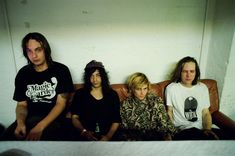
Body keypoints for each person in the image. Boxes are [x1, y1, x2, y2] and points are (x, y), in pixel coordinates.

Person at [1, 32, 74, 141]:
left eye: (38, 50)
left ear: (46, 49)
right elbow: (21, 104)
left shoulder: (61, 70)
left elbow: (60, 104)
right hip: (29, 119)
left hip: (53, 120)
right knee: (6, 140)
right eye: (29, 51)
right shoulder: (23, 73)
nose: (34, 56)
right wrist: (20, 123)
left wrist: (40, 127)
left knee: (43, 144)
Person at [165, 56, 219, 140]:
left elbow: (206, 113)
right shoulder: (171, 88)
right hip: (183, 130)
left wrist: (208, 130)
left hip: (202, 129)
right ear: (180, 72)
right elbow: (170, 112)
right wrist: (170, 132)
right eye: (185, 71)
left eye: (192, 71)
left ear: (196, 72)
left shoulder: (202, 87)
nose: (188, 75)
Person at [70, 60, 121, 141]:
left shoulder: (112, 94)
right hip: (85, 135)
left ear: (103, 76)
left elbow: (116, 120)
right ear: (87, 77)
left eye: (98, 75)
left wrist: (107, 137)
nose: (95, 79)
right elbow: (74, 118)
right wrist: (84, 132)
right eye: (91, 76)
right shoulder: (80, 94)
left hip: (108, 136)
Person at [120, 72, 176, 141]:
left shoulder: (156, 101)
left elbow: (164, 123)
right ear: (132, 89)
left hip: (155, 138)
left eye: (145, 88)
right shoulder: (125, 104)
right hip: (135, 140)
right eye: (138, 89)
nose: (142, 92)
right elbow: (123, 128)